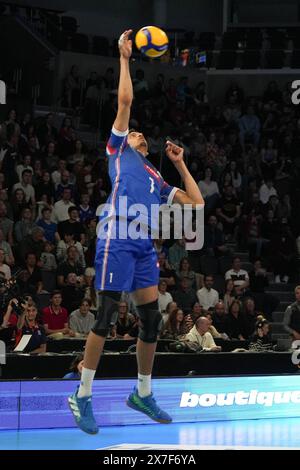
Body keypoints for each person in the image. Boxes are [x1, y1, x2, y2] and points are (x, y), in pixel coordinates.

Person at [68, 30, 204, 434]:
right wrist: (125, 58)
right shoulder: (118, 150)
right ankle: (83, 395)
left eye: (140, 133)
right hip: (117, 235)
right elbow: (125, 101)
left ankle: (142, 392)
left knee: (151, 322)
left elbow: (195, 204)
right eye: (134, 131)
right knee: (107, 314)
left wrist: (180, 164)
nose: (138, 133)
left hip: (145, 244)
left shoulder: (156, 175)